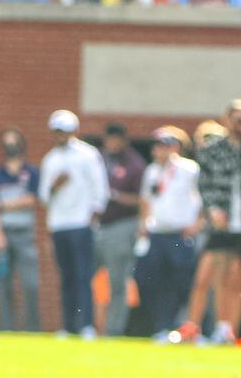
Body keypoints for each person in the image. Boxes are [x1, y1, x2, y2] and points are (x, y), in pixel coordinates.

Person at [175, 99, 241, 344]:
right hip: (223, 224)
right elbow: (204, 186)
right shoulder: (212, 150)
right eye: (238, 119)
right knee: (207, 276)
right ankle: (196, 328)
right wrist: (213, 210)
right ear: (227, 120)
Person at [39, 110, 109, 339]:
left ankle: (86, 325)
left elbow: (100, 187)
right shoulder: (50, 159)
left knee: (83, 276)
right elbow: (43, 197)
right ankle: (68, 326)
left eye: (65, 131)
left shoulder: (88, 155)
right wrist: (54, 186)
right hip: (59, 223)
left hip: (81, 222)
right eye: (57, 132)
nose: (61, 136)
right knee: (66, 277)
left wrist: (94, 215)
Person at [135, 126, 202, 343]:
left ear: (176, 147)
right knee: (154, 282)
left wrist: (197, 225)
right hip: (157, 234)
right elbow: (146, 200)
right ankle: (162, 327)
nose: (159, 151)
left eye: (164, 146)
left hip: (180, 234)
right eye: (157, 146)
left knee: (183, 283)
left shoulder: (189, 169)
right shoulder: (152, 171)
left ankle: (187, 327)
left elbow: (204, 198)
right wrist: (143, 224)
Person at [0, 127, 41, 332]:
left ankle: (32, 330)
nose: (11, 147)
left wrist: (3, 205)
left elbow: (32, 200)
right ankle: (5, 329)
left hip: (25, 234)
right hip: (4, 234)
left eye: (14, 142)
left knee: (30, 284)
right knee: (3, 285)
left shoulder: (31, 173)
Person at [96, 123, 145, 337]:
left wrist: (114, 195)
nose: (112, 143)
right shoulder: (98, 159)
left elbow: (142, 200)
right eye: (109, 139)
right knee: (90, 279)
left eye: (117, 139)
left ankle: (114, 329)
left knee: (118, 280)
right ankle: (91, 327)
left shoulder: (135, 164)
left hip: (121, 225)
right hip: (96, 225)